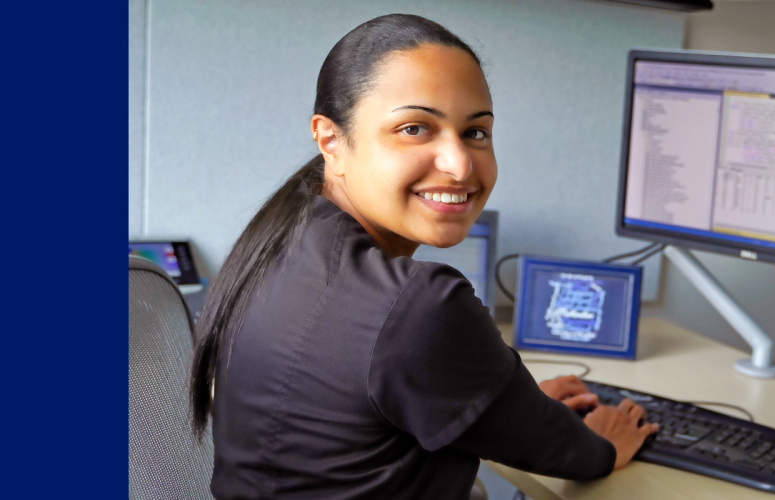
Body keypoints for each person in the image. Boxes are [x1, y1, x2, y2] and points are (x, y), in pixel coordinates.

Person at [188, 14, 658, 499]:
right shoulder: (418, 304)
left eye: (476, 132)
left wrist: (513, 405)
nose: (458, 165)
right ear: (331, 141)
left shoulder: (278, 245)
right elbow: (571, 454)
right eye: (415, 128)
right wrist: (604, 442)